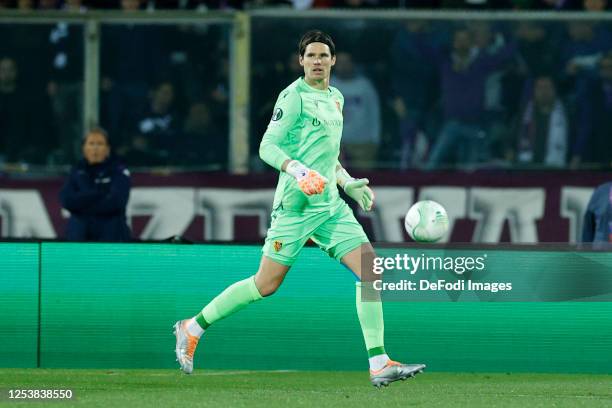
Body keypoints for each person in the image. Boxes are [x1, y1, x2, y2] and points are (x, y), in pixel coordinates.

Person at [174, 30, 425, 387]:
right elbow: (267, 146)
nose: (318, 61)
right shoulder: (292, 98)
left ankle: (379, 362)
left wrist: (347, 181)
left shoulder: (336, 97)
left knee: (371, 272)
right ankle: (192, 326)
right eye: (311, 56)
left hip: (331, 208)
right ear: (301, 61)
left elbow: (328, 155)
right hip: (294, 208)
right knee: (265, 284)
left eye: (324, 55)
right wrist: (297, 170)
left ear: (333, 60)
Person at [59, 128, 132, 242]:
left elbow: (117, 202)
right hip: (79, 237)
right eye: (91, 143)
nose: (95, 148)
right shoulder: (76, 171)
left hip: (111, 238)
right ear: (84, 148)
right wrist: (98, 194)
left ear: (108, 149)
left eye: (100, 144)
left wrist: (81, 204)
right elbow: (67, 200)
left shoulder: (118, 171)